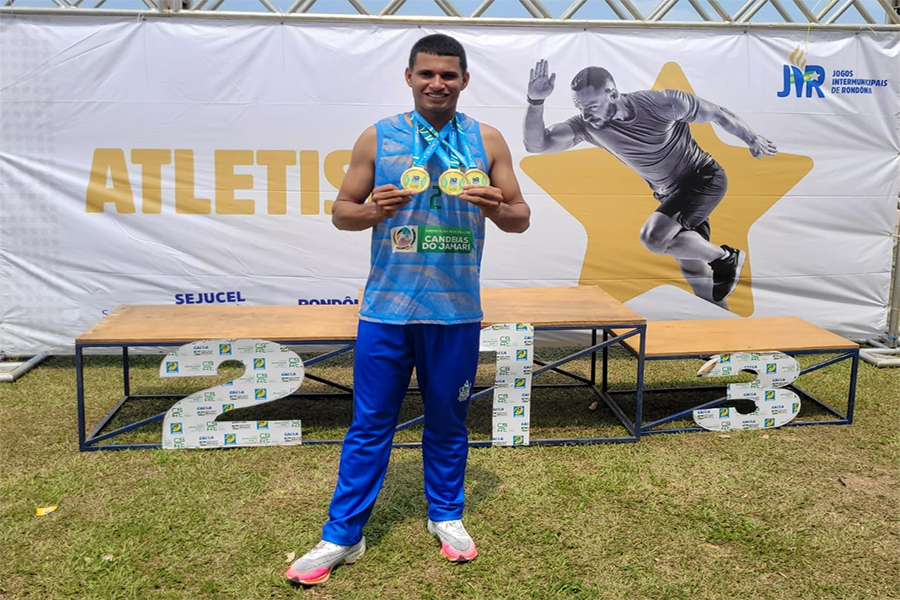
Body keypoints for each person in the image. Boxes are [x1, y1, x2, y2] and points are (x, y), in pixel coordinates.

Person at [285, 34, 530, 586]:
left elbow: (521, 216)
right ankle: (343, 535)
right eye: (427, 74)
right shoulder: (378, 137)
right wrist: (371, 211)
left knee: (448, 420)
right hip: (386, 311)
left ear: (464, 80)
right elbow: (341, 213)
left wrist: (498, 208)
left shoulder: (486, 140)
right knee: (370, 424)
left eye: (448, 75)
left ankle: (446, 515)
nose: (437, 83)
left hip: (456, 311)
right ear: (409, 77)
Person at [524, 60, 778, 307]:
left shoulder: (662, 103)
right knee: (692, 267)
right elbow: (537, 145)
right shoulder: (586, 126)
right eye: (579, 107)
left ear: (612, 94)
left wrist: (752, 139)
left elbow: (717, 113)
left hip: (702, 177)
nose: (585, 114)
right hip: (669, 194)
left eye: (591, 106)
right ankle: (723, 331)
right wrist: (536, 101)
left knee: (654, 238)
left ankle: (725, 258)